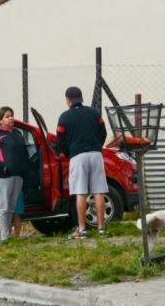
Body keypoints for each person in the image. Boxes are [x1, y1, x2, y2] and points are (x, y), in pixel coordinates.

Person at [56, 86, 108, 239]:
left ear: (68, 100)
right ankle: (101, 229)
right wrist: (97, 145)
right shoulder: (94, 113)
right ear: (81, 98)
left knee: (80, 192)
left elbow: (60, 141)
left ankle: (82, 229)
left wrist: (68, 152)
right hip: (95, 153)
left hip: (77, 156)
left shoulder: (64, 117)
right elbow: (103, 132)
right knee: (98, 191)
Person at [0, 106, 29, 242]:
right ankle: (4, 237)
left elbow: (24, 152)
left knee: (12, 206)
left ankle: (9, 236)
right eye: (7, 116)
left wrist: (25, 167)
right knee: (3, 206)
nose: (11, 118)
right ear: (0, 120)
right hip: (4, 176)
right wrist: (2, 167)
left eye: (12, 115)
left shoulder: (18, 133)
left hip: (18, 175)